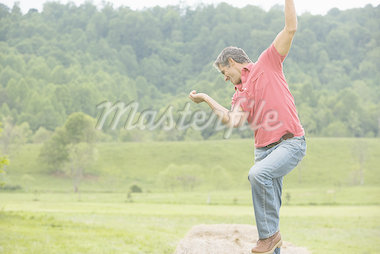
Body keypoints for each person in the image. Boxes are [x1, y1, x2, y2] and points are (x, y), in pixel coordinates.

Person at [188, 0, 306, 253]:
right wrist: (207, 99)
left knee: (257, 175)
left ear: (232, 62)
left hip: (290, 143)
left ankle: (268, 237)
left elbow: (291, 28)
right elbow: (233, 120)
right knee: (271, 213)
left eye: (224, 72)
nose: (225, 78)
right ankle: (272, 240)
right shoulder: (239, 93)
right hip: (263, 150)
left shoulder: (268, 62)